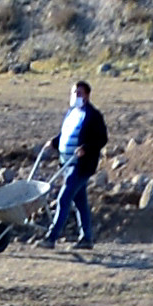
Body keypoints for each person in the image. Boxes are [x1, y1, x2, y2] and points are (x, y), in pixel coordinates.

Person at [44, 79, 108, 248]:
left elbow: (102, 138)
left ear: (87, 95)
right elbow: (66, 133)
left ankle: (51, 237)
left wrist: (86, 148)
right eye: (74, 93)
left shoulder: (93, 115)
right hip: (66, 163)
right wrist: (54, 142)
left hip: (81, 165)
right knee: (80, 202)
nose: (75, 96)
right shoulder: (72, 113)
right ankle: (86, 238)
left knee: (63, 199)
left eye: (79, 93)